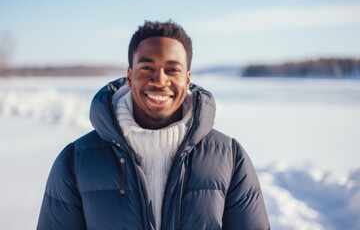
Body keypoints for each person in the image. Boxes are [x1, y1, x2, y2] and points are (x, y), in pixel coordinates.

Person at [37, 20, 270, 230]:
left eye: (172, 70)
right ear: (129, 76)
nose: (160, 80)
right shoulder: (75, 161)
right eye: (147, 68)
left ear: (187, 79)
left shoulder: (229, 158)